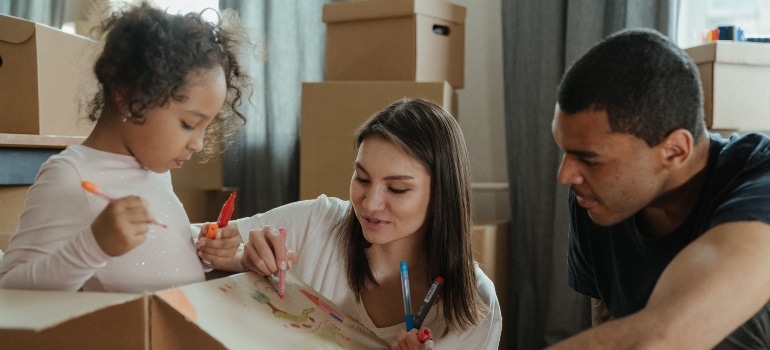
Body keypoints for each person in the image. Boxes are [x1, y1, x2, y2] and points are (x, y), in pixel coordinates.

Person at [0, 1, 248, 292]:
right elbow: (10, 294)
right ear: (130, 97)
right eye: (189, 124)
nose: (198, 144)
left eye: (207, 128)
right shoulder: (71, 175)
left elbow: (150, 266)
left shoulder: (155, 170)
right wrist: (92, 247)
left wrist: (204, 253)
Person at [548, 28, 770, 348]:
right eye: (565, 151)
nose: (566, 174)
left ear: (674, 151)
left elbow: (658, 338)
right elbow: (611, 325)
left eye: (590, 159)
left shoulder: (760, 187)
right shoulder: (597, 198)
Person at [221, 97, 502, 349]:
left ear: (443, 194)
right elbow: (195, 241)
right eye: (362, 179)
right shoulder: (315, 222)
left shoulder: (477, 309)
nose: (369, 204)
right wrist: (238, 260)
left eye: (397, 189)